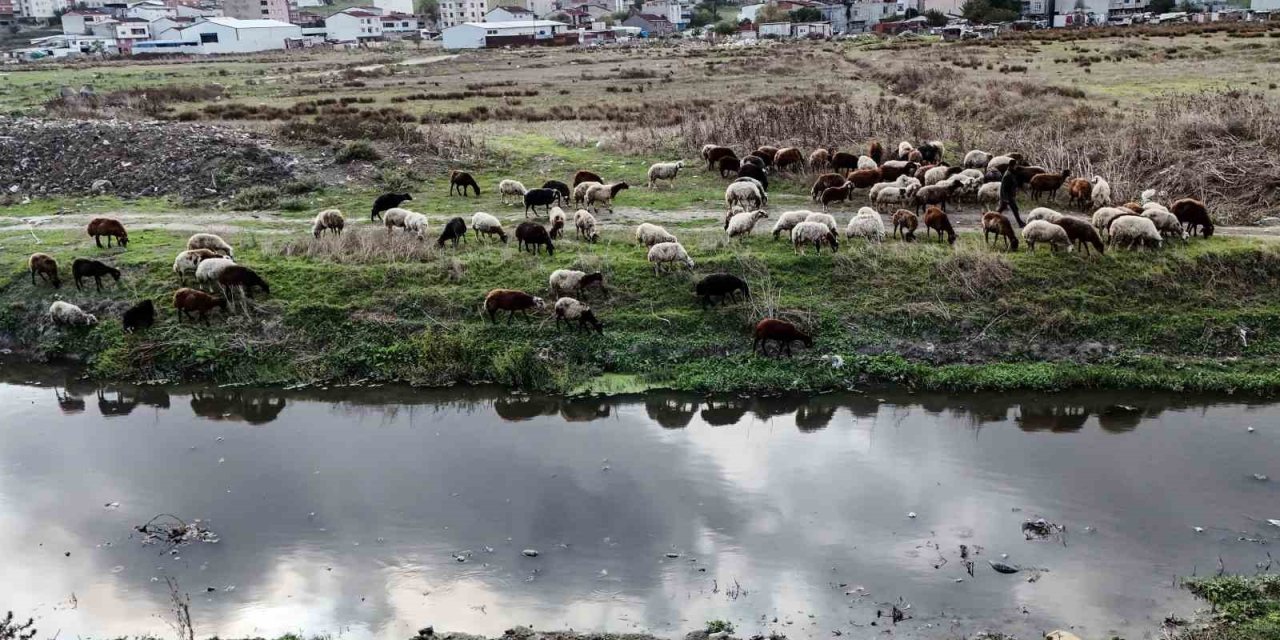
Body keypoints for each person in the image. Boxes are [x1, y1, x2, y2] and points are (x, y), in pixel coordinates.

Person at [998, 161, 1024, 227]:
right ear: (1012, 165)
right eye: (1015, 165)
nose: (1016, 167)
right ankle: (1020, 223)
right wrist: (1005, 198)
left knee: (1002, 209)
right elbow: (1004, 188)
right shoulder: (1008, 175)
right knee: (1014, 209)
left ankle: (991, 217)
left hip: (1009, 195)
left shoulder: (1011, 173)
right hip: (1007, 196)